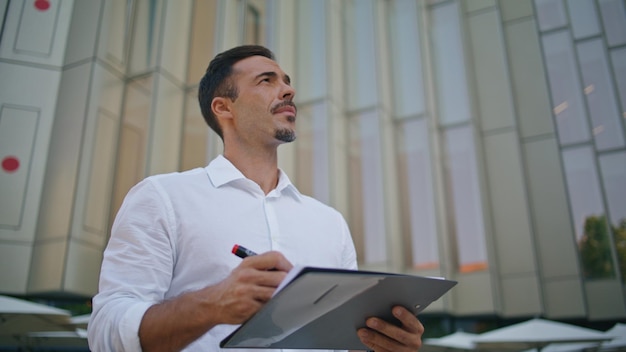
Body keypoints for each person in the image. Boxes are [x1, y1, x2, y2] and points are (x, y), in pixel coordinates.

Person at [88, 45, 424, 352]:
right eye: (266, 80)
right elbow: (106, 333)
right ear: (223, 107)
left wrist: (385, 344)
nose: (289, 90)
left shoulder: (330, 222)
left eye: (286, 82)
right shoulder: (162, 197)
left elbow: (344, 342)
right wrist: (212, 304)